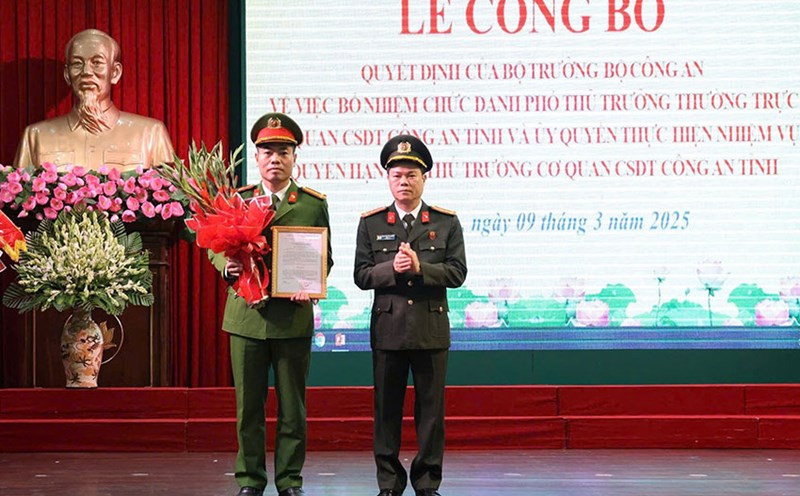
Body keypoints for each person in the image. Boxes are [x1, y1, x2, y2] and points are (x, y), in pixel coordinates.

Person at [209, 112, 333, 496]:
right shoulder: (240, 200)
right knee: (249, 408)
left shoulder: (311, 204)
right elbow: (215, 246)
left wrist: (310, 285)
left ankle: (290, 480)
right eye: (267, 151)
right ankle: (250, 479)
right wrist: (227, 267)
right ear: (257, 157)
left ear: (295, 156)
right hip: (246, 318)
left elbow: (324, 256)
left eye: (283, 151)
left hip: (292, 317)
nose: (274, 158)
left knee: (292, 408)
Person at [354, 135, 467, 496]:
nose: (404, 181)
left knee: (431, 414)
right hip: (388, 329)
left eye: (412, 175)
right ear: (388, 179)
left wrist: (421, 268)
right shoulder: (372, 222)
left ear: (425, 178)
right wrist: (392, 268)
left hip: (431, 330)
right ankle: (388, 482)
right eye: (398, 175)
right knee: (386, 411)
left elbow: (457, 272)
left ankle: (427, 481)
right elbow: (361, 275)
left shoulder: (446, 222)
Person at [13, 29, 174, 171]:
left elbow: (169, 196)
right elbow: (19, 197)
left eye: (97, 62)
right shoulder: (35, 136)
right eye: (77, 64)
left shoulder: (151, 134)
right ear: (67, 75)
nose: (87, 72)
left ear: (115, 72)